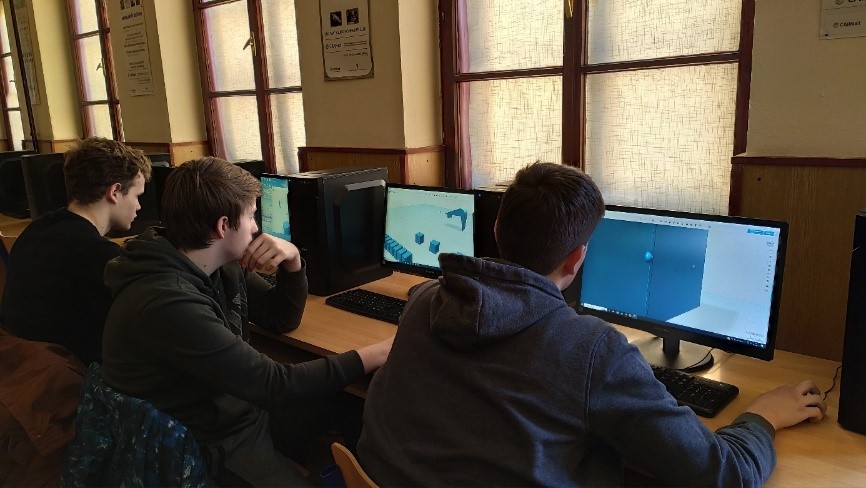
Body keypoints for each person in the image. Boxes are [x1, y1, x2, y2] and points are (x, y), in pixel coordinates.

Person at [357, 162, 827, 486]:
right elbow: (726, 475)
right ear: (578, 257)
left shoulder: (426, 300)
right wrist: (764, 416)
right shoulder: (591, 350)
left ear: (497, 230)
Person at [100, 157, 393, 486]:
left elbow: (279, 319)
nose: (256, 228)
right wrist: (379, 352)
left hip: (240, 409)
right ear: (223, 226)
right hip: (207, 442)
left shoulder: (216, 264)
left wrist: (293, 261)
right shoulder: (167, 301)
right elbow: (275, 385)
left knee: (356, 408)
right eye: (252, 216)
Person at [0, 137, 151, 365]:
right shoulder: (101, 257)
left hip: (21, 366)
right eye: (137, 196)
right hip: (71, 375)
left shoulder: (36, 229)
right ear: (115, 191)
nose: (139, 206)